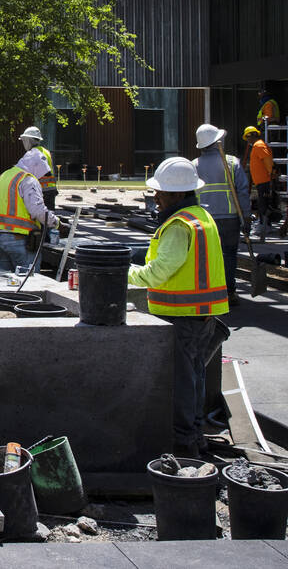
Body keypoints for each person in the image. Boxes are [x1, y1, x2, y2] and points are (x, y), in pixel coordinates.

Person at [128, 157, 229, 458]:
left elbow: (160, 272)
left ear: (177, 194)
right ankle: (195, 438)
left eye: (160, 192)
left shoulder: (177, 226)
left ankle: (185, 446)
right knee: (195, 378)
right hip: (202, 315)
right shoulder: (201, 217)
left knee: (182, 384)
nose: (155, 197)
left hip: (180, 316)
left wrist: (123, 273)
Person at [193, 123, 249, 307]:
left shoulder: (194, 166)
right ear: (217, 142)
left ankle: (209, 292)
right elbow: (242, 191)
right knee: (229, 255)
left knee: (206, 257)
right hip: (230, 217)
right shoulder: (232, 162)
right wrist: (246, 217)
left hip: (204, 219)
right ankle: (229, 292)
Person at [0, 148, 56, 273]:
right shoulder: (28, 180)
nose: (40, 177)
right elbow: (38, 211)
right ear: (35, 166)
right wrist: (56, 223)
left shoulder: (0, 178)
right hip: (19, 240)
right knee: (29, 283)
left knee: (7, 282)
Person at [243, 125, 277, 240]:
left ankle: (264, 227)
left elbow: (267, 161)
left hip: (264, 181)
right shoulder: (258, 146)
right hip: (262, 181)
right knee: (263, 204)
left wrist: (271, 175)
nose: (247, 140)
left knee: (264, 205)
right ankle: (264, 225)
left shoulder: (259, 146)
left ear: (251, 136)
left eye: (247, 138)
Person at [19, 126, 57, 210]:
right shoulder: (45, 151)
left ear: (28, 140)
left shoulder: (33, 153)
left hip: (41, 191)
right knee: (49, 216)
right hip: (51, 189)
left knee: (41, 218)